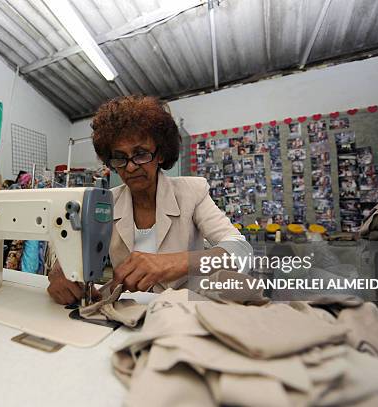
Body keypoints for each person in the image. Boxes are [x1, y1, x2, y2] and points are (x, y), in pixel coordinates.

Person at [47, 96, 252, 305]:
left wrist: (171, 263)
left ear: (160, 154)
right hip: (129, 311)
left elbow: (241, 251)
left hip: (187, 309)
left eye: (141, 154)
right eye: (120, 157)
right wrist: (59, 270)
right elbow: (71, 245)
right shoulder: (105, 203)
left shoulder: (192, 192)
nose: (130, 167)